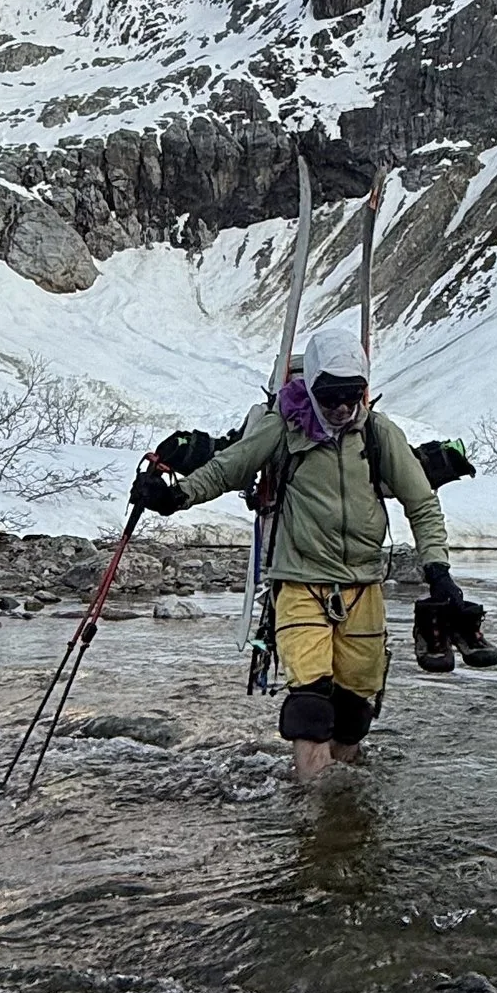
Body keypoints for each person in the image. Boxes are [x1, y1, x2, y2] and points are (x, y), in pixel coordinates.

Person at [133, 316, 470, 781]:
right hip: (299, 582)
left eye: (352, 396)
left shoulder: (379, 433)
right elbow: (228, 468)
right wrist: (176, 496)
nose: (341, 407)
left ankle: (340, 807)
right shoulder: (281, 429)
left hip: (364, 587)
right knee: (310, 704)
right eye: (330, 397)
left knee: (353, 713)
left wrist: (438, 571)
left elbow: (421, 503)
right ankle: (317, 811)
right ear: (311, 386)